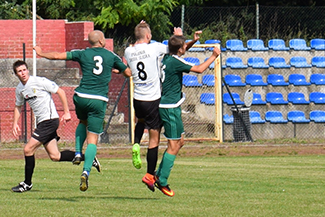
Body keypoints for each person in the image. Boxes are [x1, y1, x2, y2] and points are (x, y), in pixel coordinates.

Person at [35, 30, 131, 192]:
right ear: (101, 41)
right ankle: (86, 171)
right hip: (98, 100)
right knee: (93, 139)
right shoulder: (111, 56)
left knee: (82, 121)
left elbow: (58, 56)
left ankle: (78, 152)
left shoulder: (82, 53)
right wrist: (117, 70)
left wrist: (41, 53)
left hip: (81, 96)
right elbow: (128, 73)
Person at [124, 21, 195, 191]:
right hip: (153, 99)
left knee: (140, 122)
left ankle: (136, 142)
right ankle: (150, 175)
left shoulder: (128, 50)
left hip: (137, 99)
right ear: (149, 36)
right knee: (155, 139)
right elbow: (176, 48)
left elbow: (138, 43)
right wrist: (178, 35)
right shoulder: (154, 48)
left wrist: (140, 29)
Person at [153, 35, 221, 196]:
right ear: (180, 49)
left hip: (170, 106)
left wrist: (193, 41)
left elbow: (180, 50)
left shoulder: (168, 57)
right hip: (170, 108)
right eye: (185, 46)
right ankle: (161, 180)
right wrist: (214, 56)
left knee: (180, 142)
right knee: (174, 145)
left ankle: (158, 173)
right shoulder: (176, 62)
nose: (186, 48)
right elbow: (199, 69)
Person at [10, 60, 75, 192]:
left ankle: (27, 183)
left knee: (28, 149)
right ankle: (88, 158)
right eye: (19, 71)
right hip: (42, 123)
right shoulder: (20, 89)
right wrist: (15, 123)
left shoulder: (39, 81)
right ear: (16, 74)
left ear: (28, 70)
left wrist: (67, 112)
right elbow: (18, 106)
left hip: (49, 121)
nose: (23, 73)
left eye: (24, 70)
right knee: (55, 156)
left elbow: (60, 92)